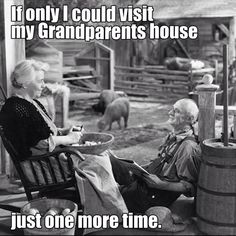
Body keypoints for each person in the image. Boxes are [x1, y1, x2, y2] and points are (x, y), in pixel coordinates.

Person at [109, 98, 201, 213]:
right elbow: (161, 162)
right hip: (147, 184)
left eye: (176, 111)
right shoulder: (173, 136)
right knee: (110, 160)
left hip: (155, 195)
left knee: (110, 196)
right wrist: (139, 168)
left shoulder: (187, 147)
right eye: (172, 109)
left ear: (190, 119)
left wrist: (161, 185)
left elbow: (189, 188)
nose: (170, 113)